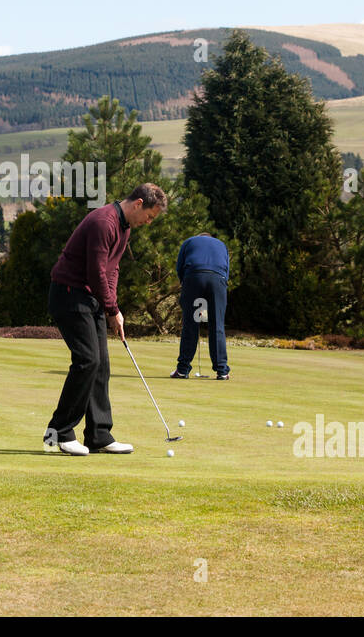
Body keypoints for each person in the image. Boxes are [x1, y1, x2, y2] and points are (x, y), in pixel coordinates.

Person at [43, 183, 167, 456]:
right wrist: (111, 308)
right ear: (138, 204)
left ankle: (98, 435)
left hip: (91, 299)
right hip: (69, 294)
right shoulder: (103, 222)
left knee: (101, 366)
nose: (148, 222)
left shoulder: (124, 228)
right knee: (88, 360)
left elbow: (112, 269)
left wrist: (114, 308)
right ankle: (59, 433)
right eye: (149, 216)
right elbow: (95, 272)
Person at [170, 232, 231, 380]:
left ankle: (183, 369)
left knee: (190, 324)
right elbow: (227, 271)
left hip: (194, 276)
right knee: (217, 325)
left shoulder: (189, 241)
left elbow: (180, 267)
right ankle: (222, 371)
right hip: (218, 279)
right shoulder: (221, 244)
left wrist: (186, 286)